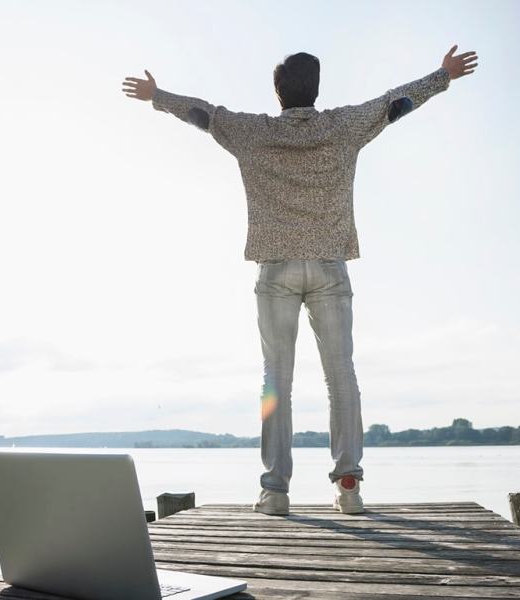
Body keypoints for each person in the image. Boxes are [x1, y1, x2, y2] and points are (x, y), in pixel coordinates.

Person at [122, 45, 478, 516]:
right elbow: (397, 103)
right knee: (341, 376)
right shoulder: (345, 126)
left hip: (276, 269)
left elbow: (202, 115)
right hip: (330, 266)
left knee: (276, 381)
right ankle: (348, 485)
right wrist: (443, 75)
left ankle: (274, 492)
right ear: (316, 89)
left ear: (278, 93)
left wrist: (156, 95)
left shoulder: (252, 132)